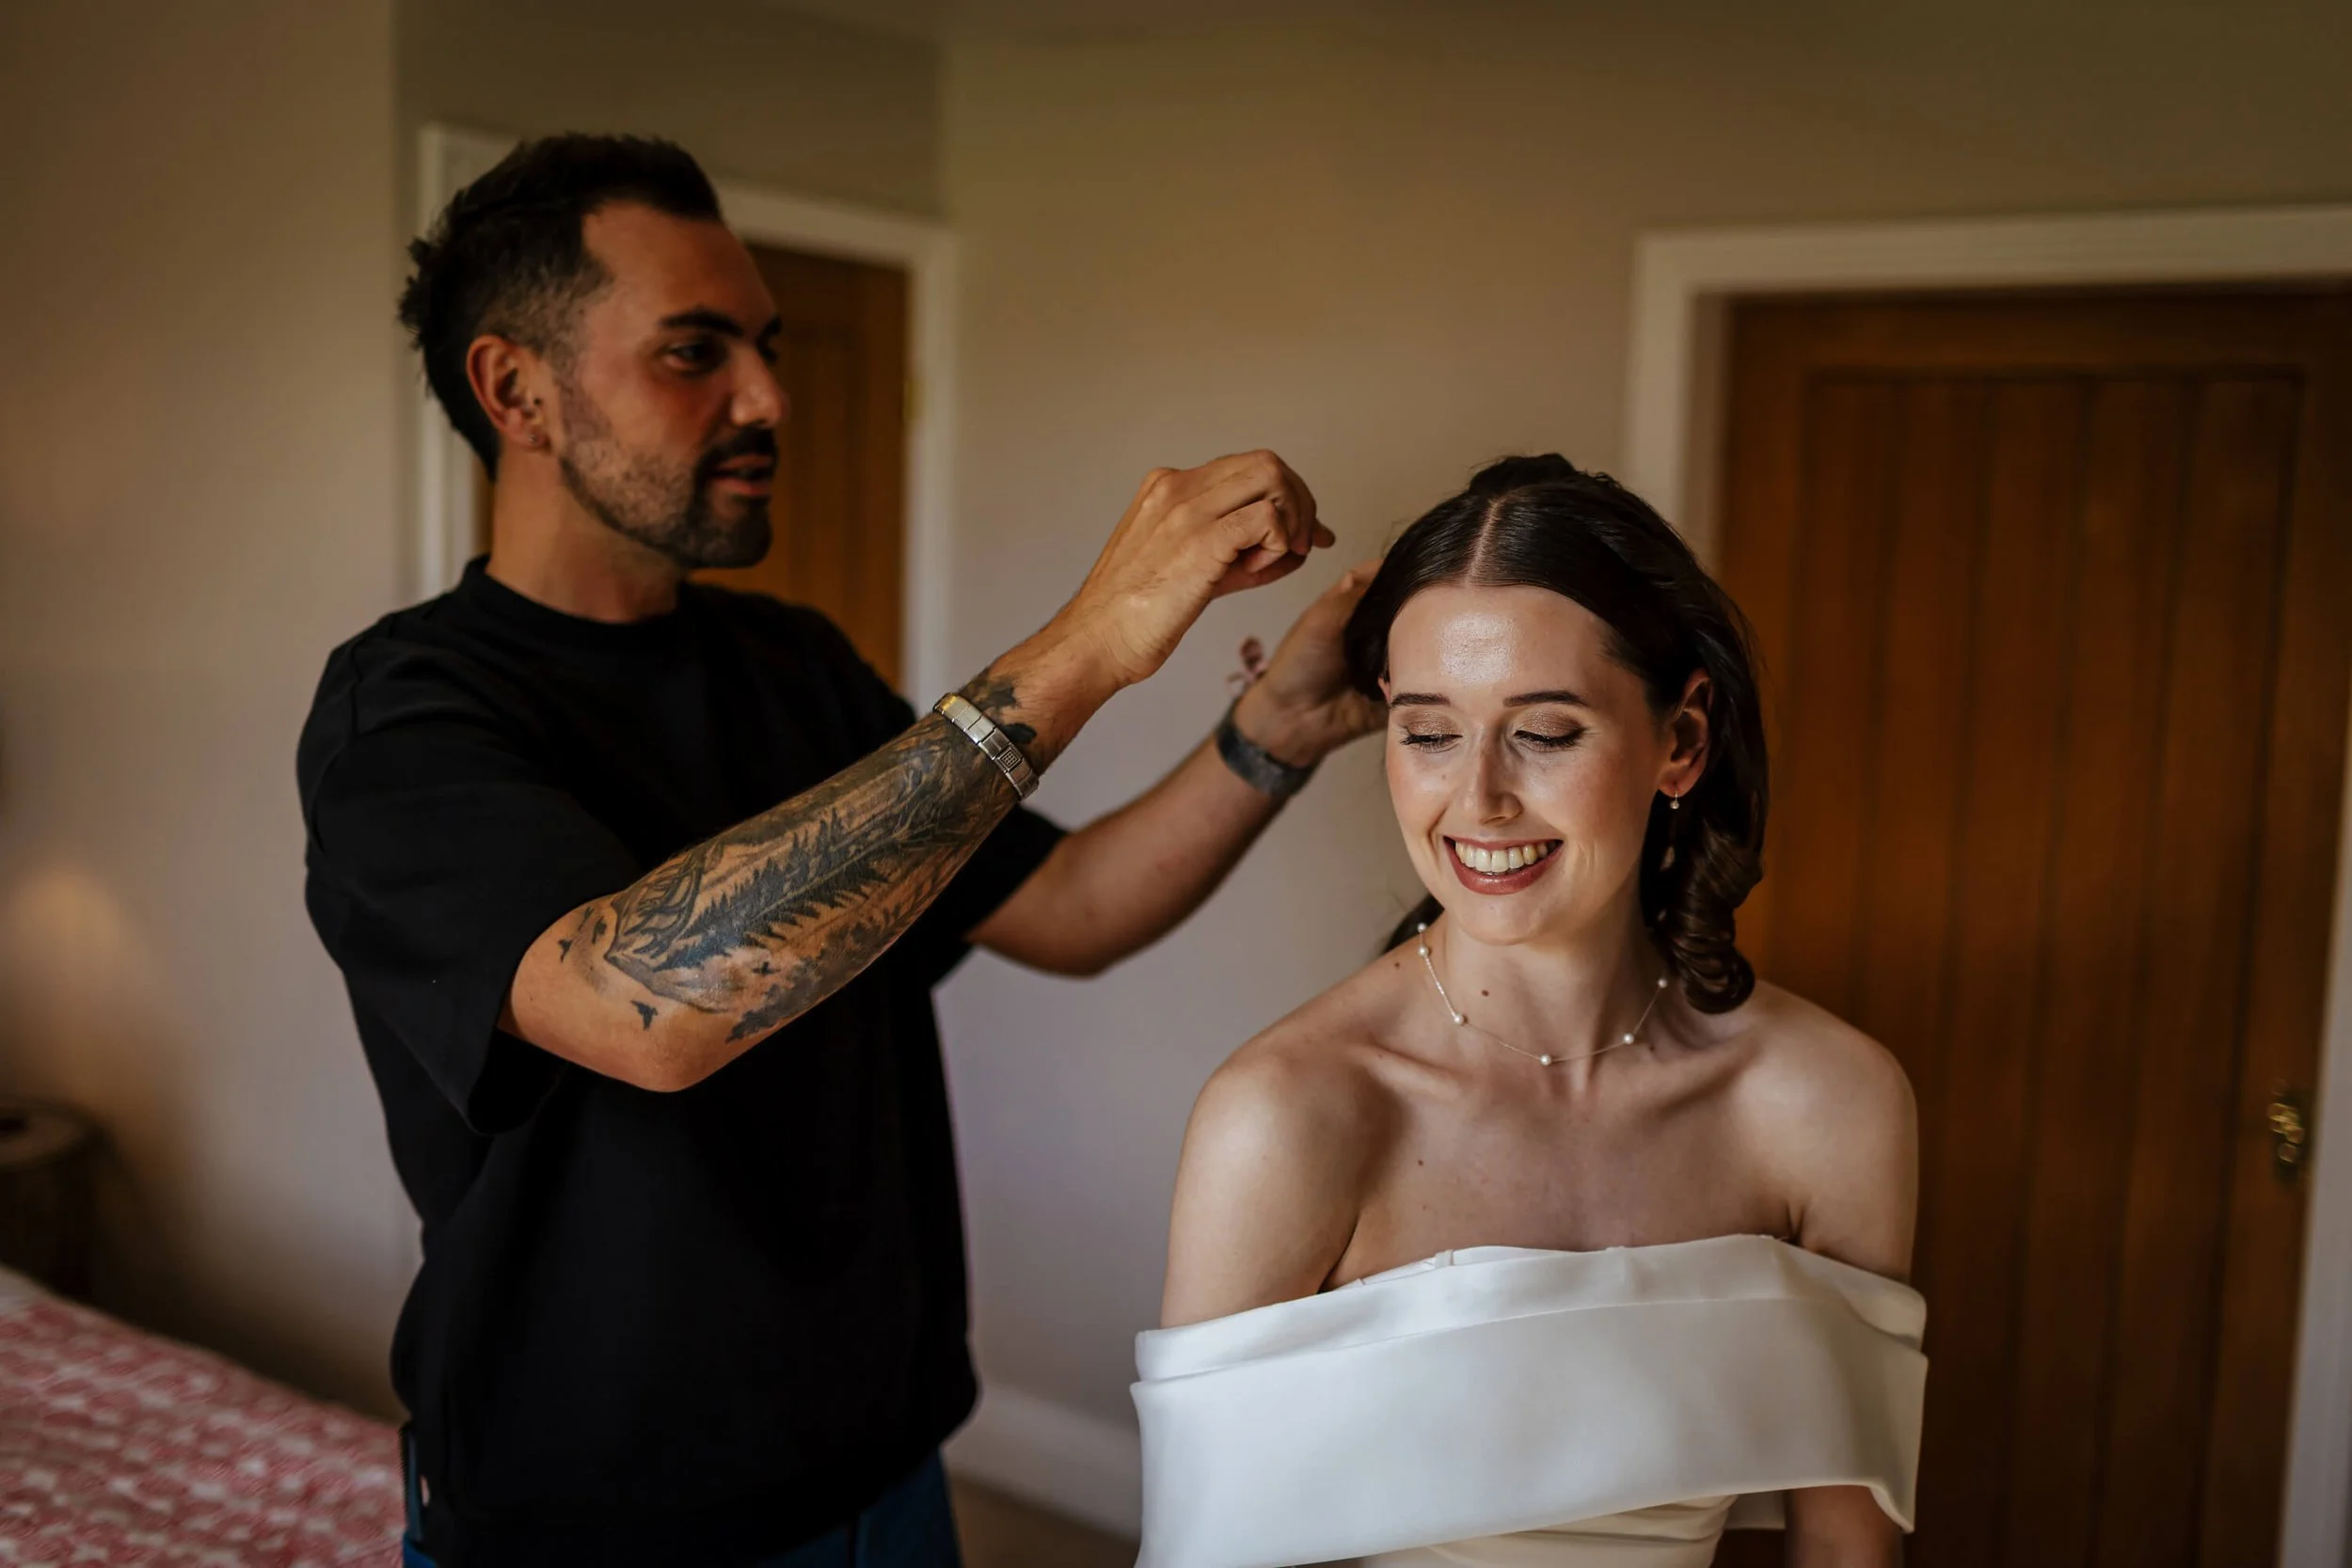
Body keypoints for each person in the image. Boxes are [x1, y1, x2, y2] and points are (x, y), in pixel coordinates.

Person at [296, 134, 1376, 1568]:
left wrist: (1276, 731)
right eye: (695, 353)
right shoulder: (408, 713)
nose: (768, 397)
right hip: (595, 1519)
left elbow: (1071, 905)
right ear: (518, 391)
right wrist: (1087, 644)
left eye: (765, 346)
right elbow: (651, 1007)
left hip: (886, 1474)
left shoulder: (789, 662)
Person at [1136, 457, 1925, 1567]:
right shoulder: (1289, 1113)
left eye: (1545, 732)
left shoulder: (1828, 1102)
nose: (1478, 800)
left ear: (1682, 741)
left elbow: (1846, 1547)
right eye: (1427, 731)